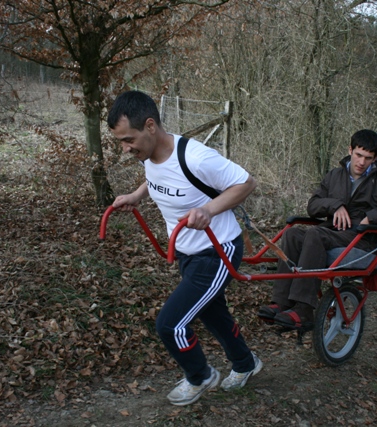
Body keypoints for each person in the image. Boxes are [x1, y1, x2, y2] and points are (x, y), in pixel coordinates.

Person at [107, 90, 262, 406]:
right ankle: (246, 364)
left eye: (128, 139)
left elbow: (246, 183)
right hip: (188, 253)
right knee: (211, 312)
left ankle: (200, 375)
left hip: (218, 252)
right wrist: (137, 195)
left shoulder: (196, 157)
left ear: (151, 126)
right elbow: (160, 179)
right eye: (120, 141)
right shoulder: (150, 155)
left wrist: (210, 209)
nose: (125, 148)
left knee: (170, 323)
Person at [258, 129, 377, 330]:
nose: (361, 162)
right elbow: (313, 206)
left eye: (368, 158)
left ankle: (304, 310)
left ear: (375, 159)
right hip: (333, 232)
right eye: (358, 155)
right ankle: (282, 302)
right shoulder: (335, 175)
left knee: (315, 234)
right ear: (350, 150)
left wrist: (372, 216)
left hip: (363, 238)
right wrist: (335, 205)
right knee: (292, 234)